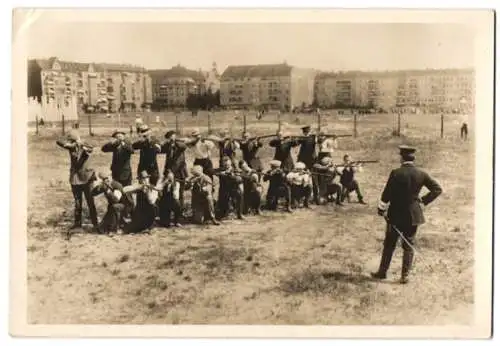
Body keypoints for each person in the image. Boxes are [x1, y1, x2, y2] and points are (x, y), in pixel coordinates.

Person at [372, 145, 443, 284]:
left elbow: (387, 194)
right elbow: (437, 189)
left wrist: (381, 209)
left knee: (389, 244)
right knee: (408, 244)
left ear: (402, 157)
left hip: (395, 215)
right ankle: (405, 276)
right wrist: (423, 201)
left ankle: (382, 273)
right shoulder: (421, 173)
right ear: (413, 158)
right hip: (413, 215)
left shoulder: (396, 173)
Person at [56, 130, 98, 232]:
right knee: (78, 202)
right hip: (75, 179)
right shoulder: (71, 147)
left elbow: (91, 148)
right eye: (70, 141)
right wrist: (70, 143)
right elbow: (58, 141)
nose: (71, 143)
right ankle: (77, 224)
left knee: (90, 201)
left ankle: (95, 224)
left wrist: (81, 144)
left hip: (87, 178)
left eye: (72, 140)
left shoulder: (85, 145)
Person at [160, 130, 188, 209]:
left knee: (180, 193)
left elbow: (183, 147)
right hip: (169, 172)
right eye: (169, 137)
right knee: (169, 192)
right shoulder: (168, 145)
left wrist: (175, 141)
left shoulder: (179, 145)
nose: (171, 138)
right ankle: (171, 209)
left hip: (180, 172)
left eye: (173, 136)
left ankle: (180, 211)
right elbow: (161, 149)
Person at [214, 156, 244, 220]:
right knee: (222, 198)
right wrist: (220, 173)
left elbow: (240, 180)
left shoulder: (235, 170)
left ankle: (239, 214)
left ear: (230, 163)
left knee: (239, 194)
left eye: (227, 164)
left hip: (233, 189)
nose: (226, 166)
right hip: (224, 190)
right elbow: (212, 171)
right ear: (222, 164)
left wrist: (232, 176)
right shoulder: (221, 169)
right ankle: (223, 213)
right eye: (225, 164)